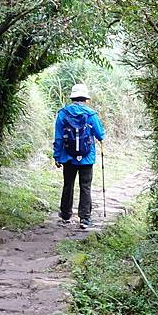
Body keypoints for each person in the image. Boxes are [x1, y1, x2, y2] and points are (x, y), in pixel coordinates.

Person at [53, 83, 105, 229]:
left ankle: (65, 215)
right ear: (85, 98)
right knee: (85, 186)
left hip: (68, 157)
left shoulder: (63, 113)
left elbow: (58, 137)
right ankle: (84, 219)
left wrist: (57, 156)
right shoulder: (91, 114)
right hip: (87, 158)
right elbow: (100, 135)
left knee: (68, 184)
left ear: (72, 97)